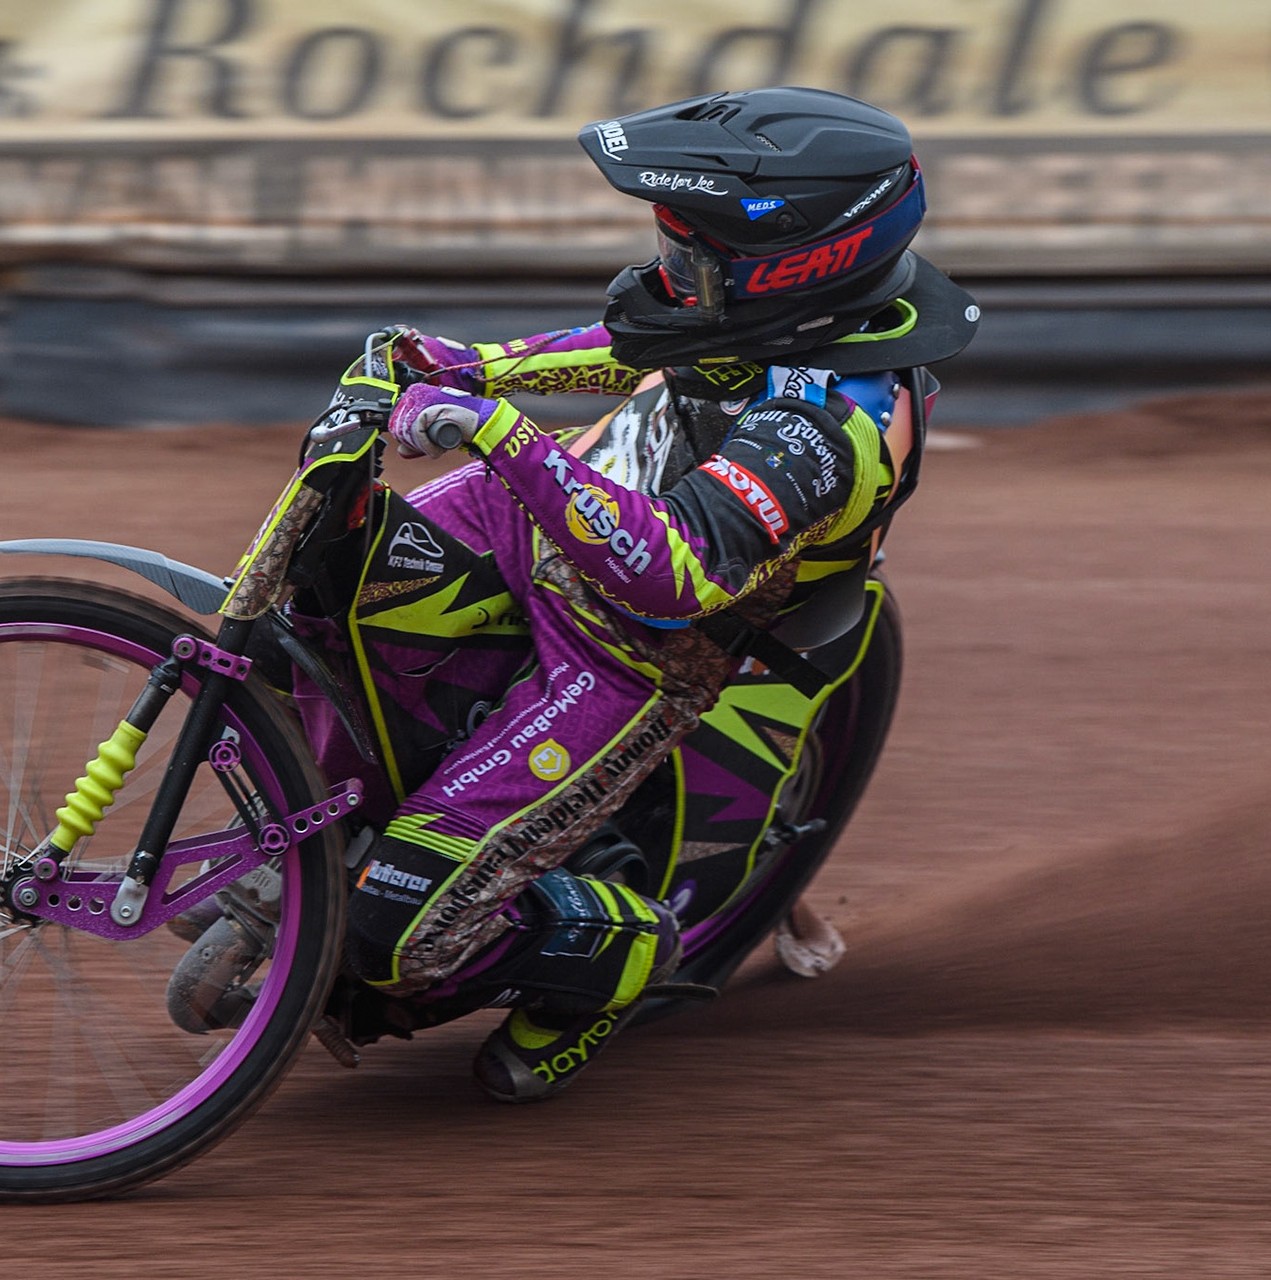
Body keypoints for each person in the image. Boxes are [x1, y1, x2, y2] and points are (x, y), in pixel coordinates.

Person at [295, 86, 977, 1102]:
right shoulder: (765, 321)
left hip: (632, 649)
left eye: (692, 256)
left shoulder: (829, 427)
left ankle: (609, 963)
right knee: (326, 593)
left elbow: (671, 578)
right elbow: (640, 353)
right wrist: (469, 365)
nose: (669, 273)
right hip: (529, 521)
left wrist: (497, 429)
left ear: (793, 267)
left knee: (391, 929)